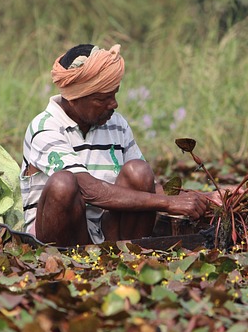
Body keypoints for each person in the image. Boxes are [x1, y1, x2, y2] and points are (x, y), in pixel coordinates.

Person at [20, 43, 217, 246]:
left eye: (114, 94)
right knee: (64, 184)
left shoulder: (117, 124)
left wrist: (205, 198)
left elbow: (148, 188)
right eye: (103, 98)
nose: (114, 104)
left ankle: (129, 259)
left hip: (103, 235)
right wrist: (168, 203)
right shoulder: (44, 128)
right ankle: (64, 262)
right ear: (74, 98)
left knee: (139, 171)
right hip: (55, 239)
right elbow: (88, 189)